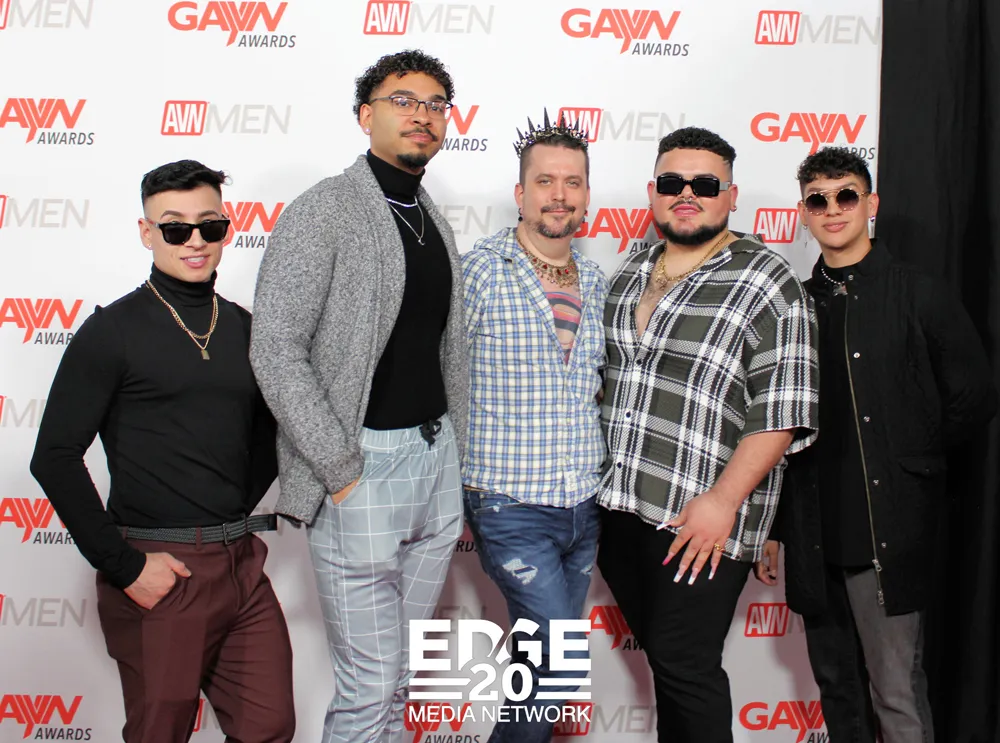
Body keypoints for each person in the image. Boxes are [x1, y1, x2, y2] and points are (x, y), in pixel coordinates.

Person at [29, 160, 294, 743]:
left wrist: (224, 511)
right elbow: (54, 456)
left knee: (270, 725)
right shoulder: (112, 332)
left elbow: (269, 437)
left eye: (209, 225)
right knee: (160, 733)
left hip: (241, 564)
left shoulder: (246, 329)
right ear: (147, 233)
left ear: (226, 228)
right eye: (175, 228)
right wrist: (125, 567)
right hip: (161, 568)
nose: (194, 241)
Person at [249, 49, 468, 743]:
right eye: (404, 100)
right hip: (363, 466)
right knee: (370, 684)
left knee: (400, 676)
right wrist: (339, 468)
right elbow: (274, 346)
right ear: (365, 115)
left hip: (436, 464)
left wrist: (456, 457)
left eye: (435, 104)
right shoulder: (325, 209)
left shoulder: (429, 216)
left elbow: (441, 347)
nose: (422, 115)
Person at [755, 147, 997, 743]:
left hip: (889, 532)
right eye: (818, 200)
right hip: (814, 533)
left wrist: (908, 457)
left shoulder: (919, 293)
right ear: (804, 213)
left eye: (846, 195)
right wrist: (775, 527)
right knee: (837, 691)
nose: (833, 209)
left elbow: (974, 396)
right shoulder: (794, 306)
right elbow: (774, 423)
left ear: (871, 204)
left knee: (896, 692)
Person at [597, 127, 819, 743]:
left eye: (705, 183)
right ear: (653, 191)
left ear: (731, 196)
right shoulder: (631, 269)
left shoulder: (768, 280)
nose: (687, 193)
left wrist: (722, 503)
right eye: (673, 182)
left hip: (703, 519)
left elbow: (782, 410)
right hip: (621, 508)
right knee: (671, 668)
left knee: (684, 665)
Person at [461, 112, 609, 743]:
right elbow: (440, 377)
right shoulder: (479, 272)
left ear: (586, 195)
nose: (559, 195)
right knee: (556, 664)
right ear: (521, 193)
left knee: (539, 667)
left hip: (583, 506)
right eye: (545, 181)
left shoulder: (598, 282)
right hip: (509, 503)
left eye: (572, 182)